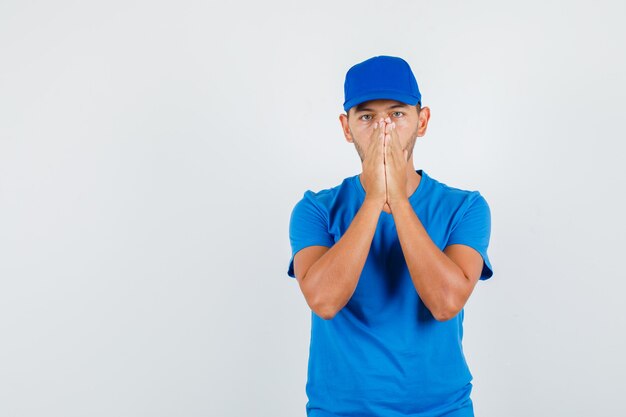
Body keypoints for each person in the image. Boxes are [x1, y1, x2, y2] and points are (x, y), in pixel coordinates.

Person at [287, 55, 494, 417]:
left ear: (422, 121)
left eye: (397, 114)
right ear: (346, 127)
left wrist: (397, 198)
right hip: (340, 411)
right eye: (367, 117)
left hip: (442, 410)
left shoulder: (465, 208)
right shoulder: (316, 210)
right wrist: (373, 199)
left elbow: (446, 303)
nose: (383, 128)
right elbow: (323, 300)